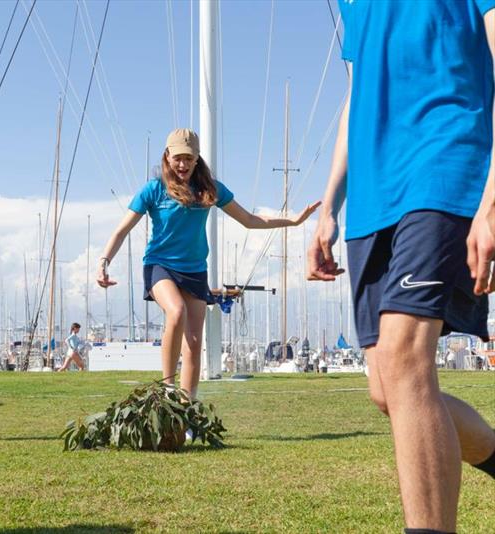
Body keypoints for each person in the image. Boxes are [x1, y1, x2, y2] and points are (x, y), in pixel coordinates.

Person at [307, 2, 495, 531]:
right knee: (388, 389)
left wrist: (492, 199)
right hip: (371, 198)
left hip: (445, 164)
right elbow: (358, 96)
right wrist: (328, 207)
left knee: (406, 358)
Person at [98, 128, 319, 401]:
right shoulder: (153, 190)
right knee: (176, 312)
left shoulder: (209, 189)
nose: (183, 165)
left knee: (193, 342)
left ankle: (186, 406)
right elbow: (121, 230)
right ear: (167, 156)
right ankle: (167, 390)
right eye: (178, 158)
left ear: (196, 159)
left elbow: (249, 220)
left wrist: (293, 221)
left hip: (194, 270)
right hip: (160, 266)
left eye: (188, 159)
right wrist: (104, 262)